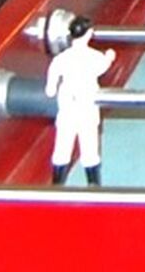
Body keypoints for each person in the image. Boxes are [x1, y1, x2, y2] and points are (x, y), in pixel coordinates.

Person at [43, 14, 115, 187]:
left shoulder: (60, 59)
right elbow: (103, 66)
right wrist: (110, 57)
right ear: (88, 34)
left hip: (67, 108)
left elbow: (50, 90)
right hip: (87, 108)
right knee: (90, 150)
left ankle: (56, 186)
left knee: (62, 149)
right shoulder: (94, 57)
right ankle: (93, 185)